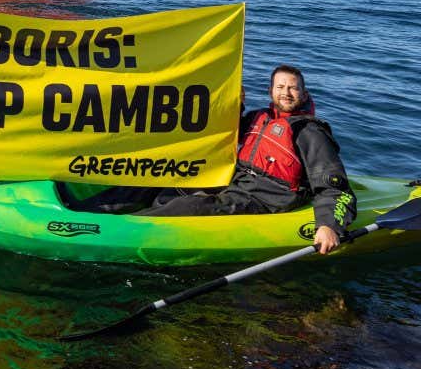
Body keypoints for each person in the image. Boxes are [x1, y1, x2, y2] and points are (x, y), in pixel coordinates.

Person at [75, 64, 356, 254]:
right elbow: (222, 134)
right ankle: (84, 212)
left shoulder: (309, 131)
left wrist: (329, 225)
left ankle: (115, 234)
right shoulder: (258, 117)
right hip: (232, 178)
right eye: (280, 87)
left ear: (303, 93)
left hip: (265, 198)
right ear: (271, 92)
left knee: (192, 205)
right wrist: (236, 104)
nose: (286, 93)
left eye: (292, 88)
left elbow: (335, 187)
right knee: (157, 179)